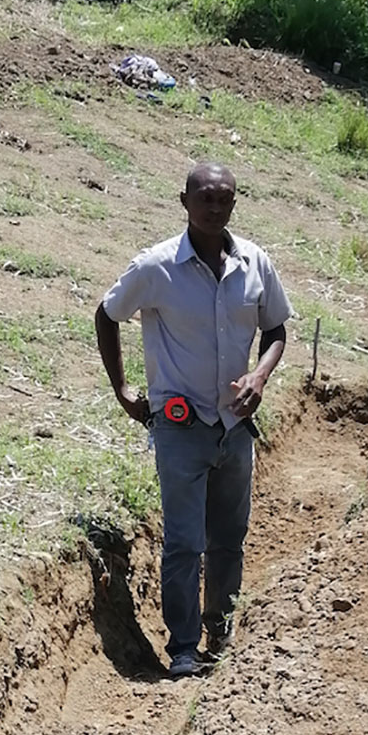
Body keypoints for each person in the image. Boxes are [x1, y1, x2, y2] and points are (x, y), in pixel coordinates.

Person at [96, 161, 289, 678]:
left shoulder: (254, 263)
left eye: (224, 197)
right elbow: (107, 314)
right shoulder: (155, 267)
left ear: (234, 202)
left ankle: (220, 631)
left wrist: (260, 378)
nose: (214, 206)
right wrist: (122, 388)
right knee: (184, 541)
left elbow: (276, 331)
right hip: (180, 425)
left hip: (234, 426)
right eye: (204, 197)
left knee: (229, 538)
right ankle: (182, 646)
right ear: (183, 201)